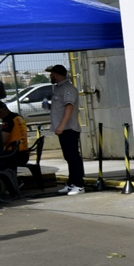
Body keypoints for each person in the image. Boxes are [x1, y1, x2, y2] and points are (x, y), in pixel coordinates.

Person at [47, 64, 85, 195]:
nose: (50, 76)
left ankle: (79, 184)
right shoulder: (59, 88)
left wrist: (62, 125)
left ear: (57, 75)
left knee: (73, 157)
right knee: (69, 157)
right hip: (63, 129)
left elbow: (69, 107)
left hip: (69, 128)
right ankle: (71, 183)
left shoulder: (68, 89)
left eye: (51, 74)